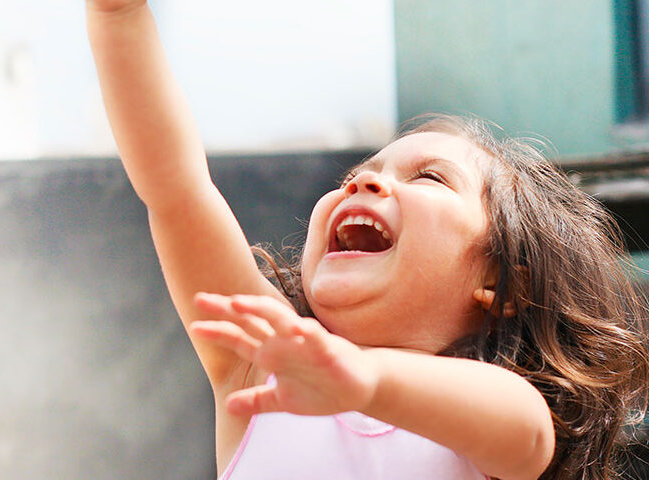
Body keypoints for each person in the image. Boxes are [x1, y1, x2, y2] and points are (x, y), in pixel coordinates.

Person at [86, 2, 649, 479]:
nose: (363, 182)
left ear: (500, 282)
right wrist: (118, 14)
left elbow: (529, 434)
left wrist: (367, 381)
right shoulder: (257, 365)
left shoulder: (489, 410)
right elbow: (177, 188)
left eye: (428, 178)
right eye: (353, 175)